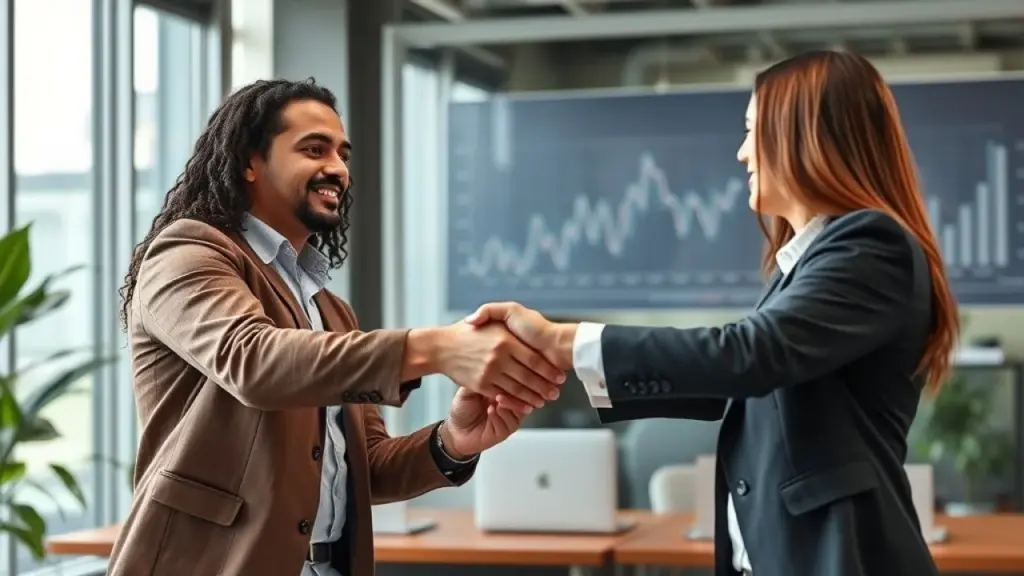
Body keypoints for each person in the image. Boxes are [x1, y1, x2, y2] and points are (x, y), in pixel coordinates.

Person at [467, 50, 958, 576]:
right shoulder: (806, 265)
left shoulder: (870, 245)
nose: (744, 153)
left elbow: (749, 356)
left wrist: (566, 341)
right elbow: (736, 377)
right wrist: (558, 362)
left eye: (752, 131)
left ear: (804, 136)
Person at [109, 78, 565, 576]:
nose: (338, 168)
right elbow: (253, 361)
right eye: (313, 149)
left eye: (342, 153)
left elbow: (364, 465)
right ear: (250, 161)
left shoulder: (329, 308)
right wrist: (436, 347)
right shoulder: (188, 254)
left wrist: (453, 441)